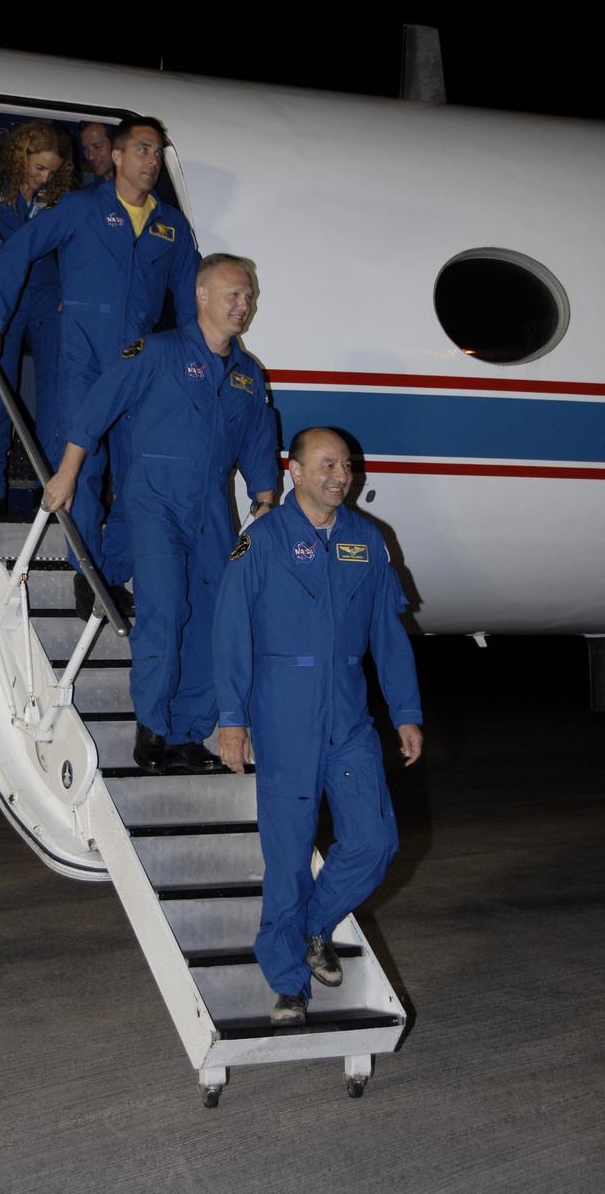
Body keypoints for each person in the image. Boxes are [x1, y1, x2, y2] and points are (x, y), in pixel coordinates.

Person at [212, 427, 423, 1025]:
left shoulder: (368, 540)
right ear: (294, 472)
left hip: (349, 715)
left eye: (348, 464)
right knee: (286, 856)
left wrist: (406, 712)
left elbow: (388, 633)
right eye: (327, 463)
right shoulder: (264, 539)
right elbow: (231, 633)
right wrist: (233, 720)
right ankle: (288, 987)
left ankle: (309, 929)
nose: (340, 474)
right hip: (283, 715)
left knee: (375, 841)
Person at [44, 254, 278, 770]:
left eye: (250, 297)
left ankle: (190, 732)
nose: (244, 305)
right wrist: (67, 473)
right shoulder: (157, 351)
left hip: (215, 511)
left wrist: (264, 500)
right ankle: (152, 727)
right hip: (155, 501)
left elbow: (260, 440)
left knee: (214, 619)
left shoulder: (248, 374)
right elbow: (96, 407)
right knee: (165, 610)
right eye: (234, 294)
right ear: (201, 295)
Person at [0, 116, 200, 610]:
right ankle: (86, 571)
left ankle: (111, 570)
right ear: (116, 157)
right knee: (85, 470)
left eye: (158, 152)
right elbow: (17, 252)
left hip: (138, 370)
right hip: (85, 365)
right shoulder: (80, 209)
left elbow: (188, 304)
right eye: (142, 149)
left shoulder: (171, 226)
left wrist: (193, 364)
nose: (151, 160)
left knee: (140, 473)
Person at [0, 121, 76, 509]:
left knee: (54, 401)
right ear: (21, 154)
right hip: (0, 302)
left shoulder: (61, 195)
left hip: (48, 302)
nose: (45, 177)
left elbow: (77, 247)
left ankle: (49, 492)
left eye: (52, 170)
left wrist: (70, 291)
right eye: (39, 167)